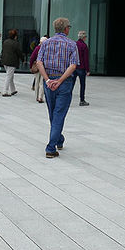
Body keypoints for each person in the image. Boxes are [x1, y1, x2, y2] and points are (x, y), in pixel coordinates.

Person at [36, 17, 80, 158]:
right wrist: (60, 80)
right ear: (66, 29)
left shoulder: (46, 43)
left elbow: (39, 63)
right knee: (59, 114)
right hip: (64, 82)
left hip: (49, 82)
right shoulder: (72, 45)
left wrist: (48, 79)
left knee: (53, 113)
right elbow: (73, 65)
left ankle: (58, 139)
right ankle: (51, 147)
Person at [0, 29, 25, 97]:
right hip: (12, 62)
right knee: (9, 76)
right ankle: (5, 91)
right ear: (15, 36)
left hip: (5, 61)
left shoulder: (5, 42)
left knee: (10, 76)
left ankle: (13, 90)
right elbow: (19, 52)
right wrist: (23, 59)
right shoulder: (15, 43)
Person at [29, 36, 48, 103]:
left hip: (37, 66)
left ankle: (36, 96)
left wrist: (31, 66)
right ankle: (40, 97)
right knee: (42, 83)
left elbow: (32, 57)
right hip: (44, 67)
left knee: (37, 81)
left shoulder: (37, 48)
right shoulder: (47, 49)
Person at [76, 30, 91, 106]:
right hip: (81, 68)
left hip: (74, 67)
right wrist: (87, 70)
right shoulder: (84, 46)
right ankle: (82, 100)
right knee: (82, 85)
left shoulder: (74, 44)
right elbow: (86, 59)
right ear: (84, 37)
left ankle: (66, 100)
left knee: (71, 84)